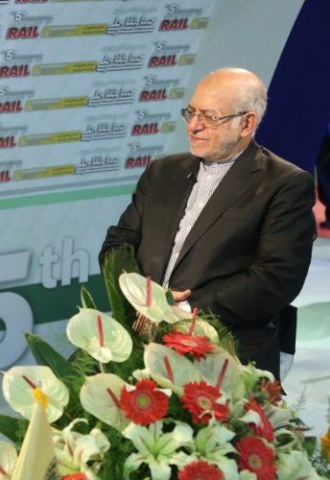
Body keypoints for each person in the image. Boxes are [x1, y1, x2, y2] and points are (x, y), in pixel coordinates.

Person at [100, 67, 316, 380]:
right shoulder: (162, 172)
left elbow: (277, 277)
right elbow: (118, 242)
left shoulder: (284, 184)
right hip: (138, 334)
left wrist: (181, 309)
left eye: (209, 117)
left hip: (223, 348)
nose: (193, 126)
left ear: (246, 124)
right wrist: (141, 295)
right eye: (191, 113)